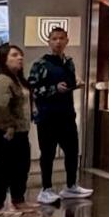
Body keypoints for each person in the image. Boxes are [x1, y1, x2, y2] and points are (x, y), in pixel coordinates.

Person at [28, 27, 93, 203]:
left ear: (67, 41)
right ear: (48, 41)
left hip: (66, 114)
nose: (58, 42)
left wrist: (76, 83)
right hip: (47, 116)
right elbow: (32, 89)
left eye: (61, 38)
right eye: (54, 38)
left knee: (72, 150)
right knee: (47, 153)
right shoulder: (40, 64)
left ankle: (71, 185)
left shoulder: (68, 62)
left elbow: (69, 83)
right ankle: (46, 188)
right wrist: (53, 89)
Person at [0, 43, 35, 217]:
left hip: (20, 131)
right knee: (3, 168)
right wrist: (9, 125)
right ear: (3, 59)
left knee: (20, 166)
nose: (19, 58)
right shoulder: (2, 80)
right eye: (14, 55)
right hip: (4, 132)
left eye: (20, 55)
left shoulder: (17, 79)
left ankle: (18, 199)